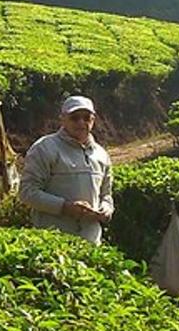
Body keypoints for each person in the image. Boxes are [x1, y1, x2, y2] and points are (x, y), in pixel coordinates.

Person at [19, 95, 114, 245]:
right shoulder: (44, 148)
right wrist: (64, 207)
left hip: (91, 241)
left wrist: (106, 209)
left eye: (86, 118)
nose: (81, 122)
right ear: (62, 119)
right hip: (53, 241)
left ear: (93, 120)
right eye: (75, 118)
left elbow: (106, 195)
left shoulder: (101, 154)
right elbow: (27, 192)